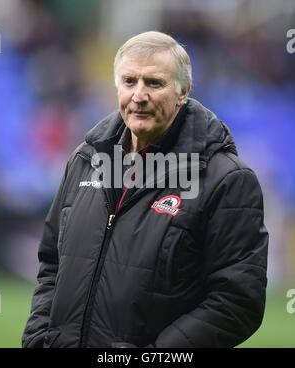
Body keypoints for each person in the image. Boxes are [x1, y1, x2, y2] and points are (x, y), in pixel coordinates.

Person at [22, 31, 268, 348]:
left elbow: (238, 300)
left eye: (154, 83)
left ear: (183, 92)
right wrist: (38, 338)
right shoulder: (85, 160)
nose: (139, 95)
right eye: (129, 82)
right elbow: (52, 264)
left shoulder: (226, 179)